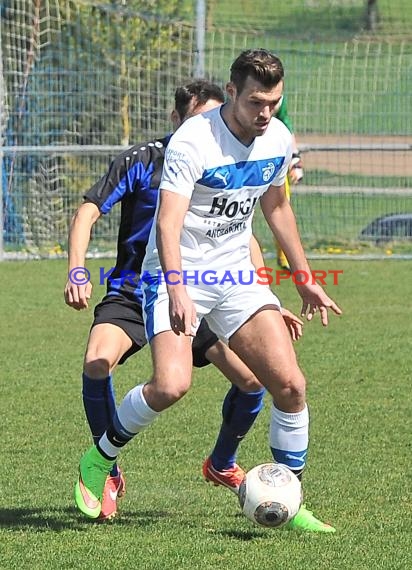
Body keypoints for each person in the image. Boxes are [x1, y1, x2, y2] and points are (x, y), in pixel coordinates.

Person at [73, 50, 342, 532]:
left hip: (235, 273)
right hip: (178, 272)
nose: (266, 113)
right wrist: (176, 288)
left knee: (290, 386)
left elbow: (277, 207)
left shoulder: (276, 137)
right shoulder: (194, 140)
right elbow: (168, 222)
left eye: (274, 102)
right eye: (257, 102)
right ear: (233, 92)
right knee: (172, 385)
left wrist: (304, 278)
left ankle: (291, 495)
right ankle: (100, 457)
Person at [274, 94, 304, 271]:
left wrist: (295, 160)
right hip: (243, 164)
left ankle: (285, 257)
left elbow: (286, 126)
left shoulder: (280, 99)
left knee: (281, 206)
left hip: (275, 164)